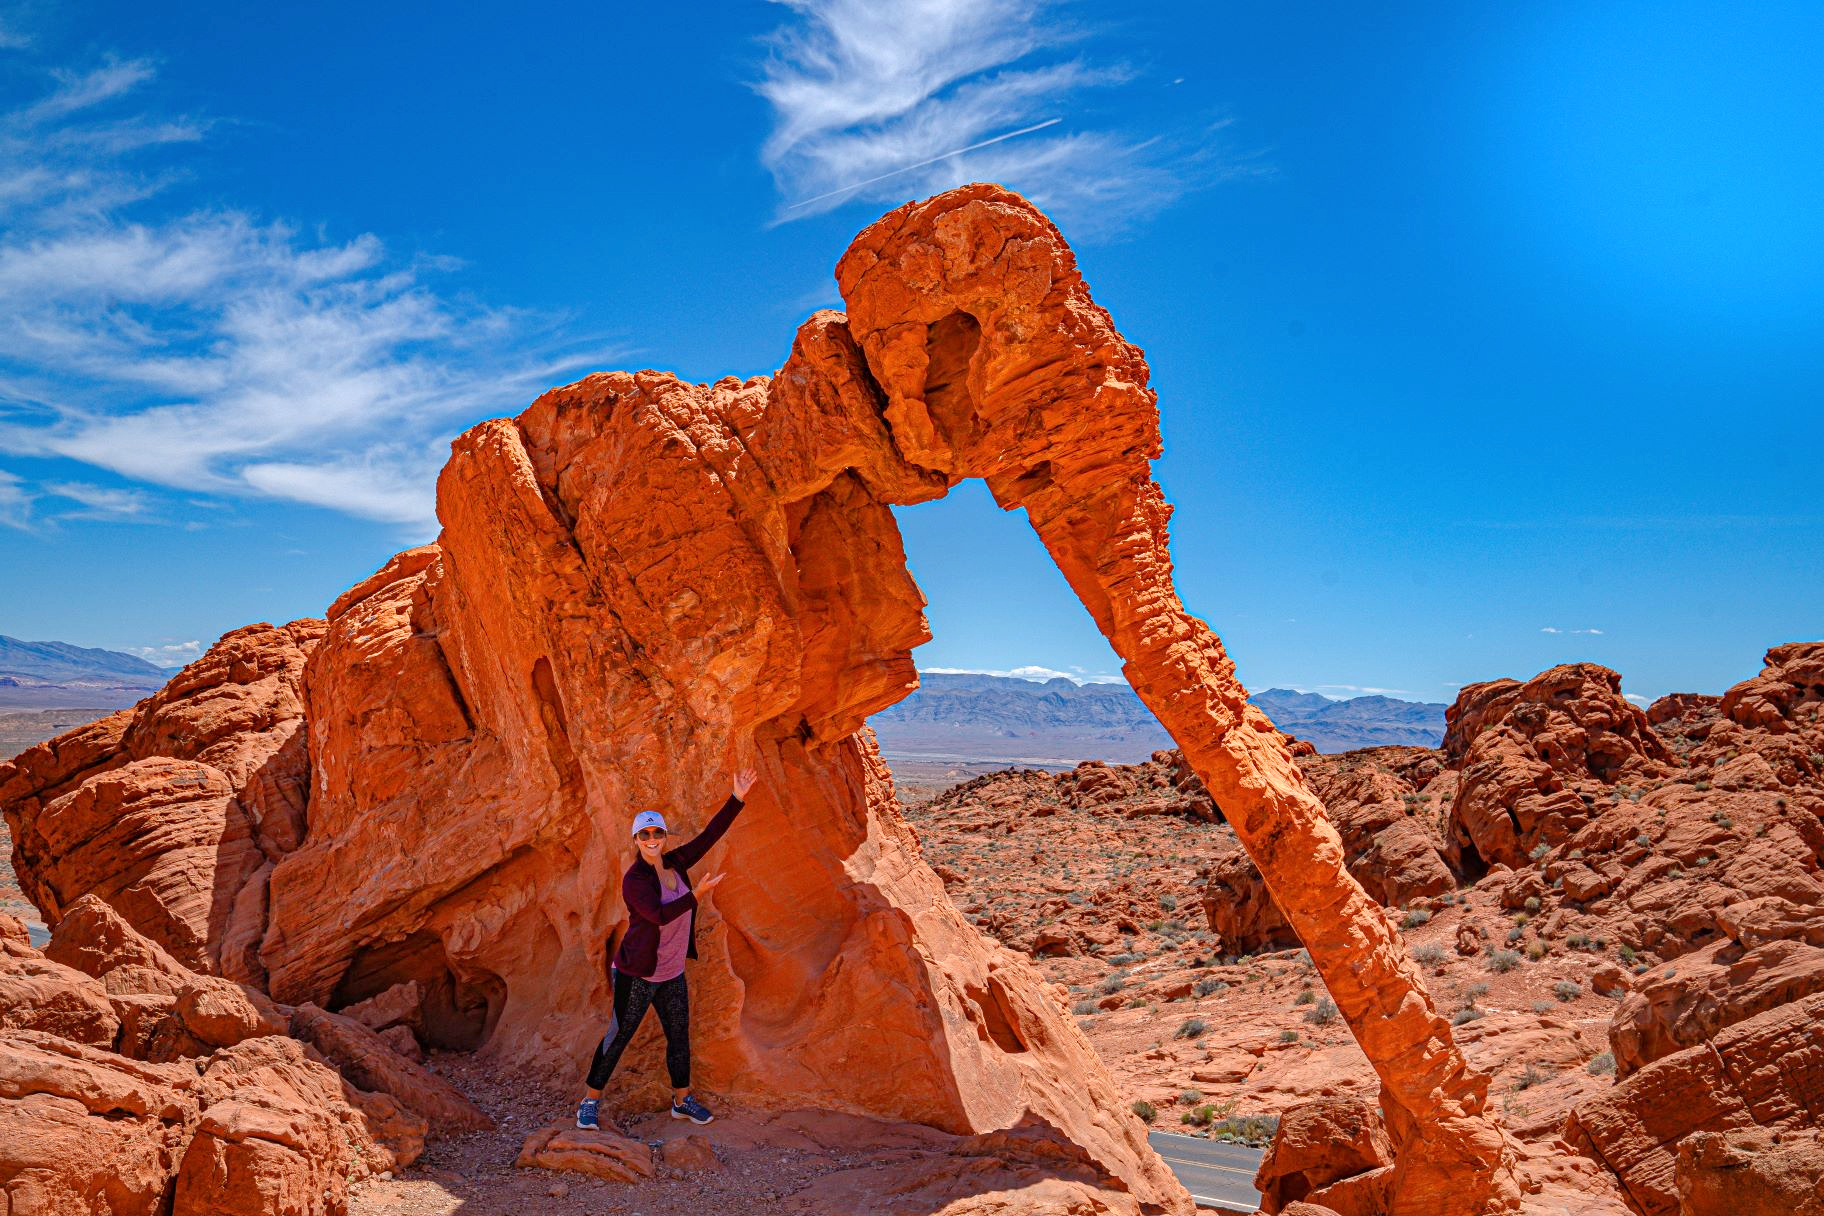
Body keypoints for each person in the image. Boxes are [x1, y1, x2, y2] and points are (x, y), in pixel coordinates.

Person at [576, 767, 756, 1131]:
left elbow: (708, 837)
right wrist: (697, 896)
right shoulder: (635, 880)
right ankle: (589, 1102)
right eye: (645, 834)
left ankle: (681, 1100)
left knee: (678, 1035)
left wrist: (736, 799)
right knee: (619, 1035)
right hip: (636, 973)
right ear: (636, 839)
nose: (652, 838)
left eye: (657, 832)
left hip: (671, 972)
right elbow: (657, 916)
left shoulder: (674, 862)